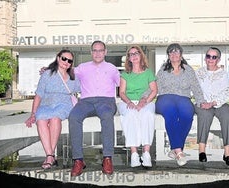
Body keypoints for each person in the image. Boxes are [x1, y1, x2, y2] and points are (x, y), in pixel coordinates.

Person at [69, 40, 120, 176]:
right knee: (74, 117)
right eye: (95, 50)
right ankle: (78, 160)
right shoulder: (82, 67)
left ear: (105, 52)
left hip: (106, 101)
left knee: (107, 117)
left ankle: (107, 158)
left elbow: (124, 84)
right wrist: (50, 70)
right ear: (91, 52)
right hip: (86, 101)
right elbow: (67, 72)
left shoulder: (112, 68)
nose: (97, 53)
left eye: (100, 50)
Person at [25, 49, 80, 170]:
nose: (66, 62)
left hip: (64, 104)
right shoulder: (47, 74)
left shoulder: (74, 77)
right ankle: (50, 155)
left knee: (55, 119)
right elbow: (39, 95)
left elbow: (85, 87)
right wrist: (33, 113)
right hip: (46, 104)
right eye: (64, 58)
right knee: (41, 119)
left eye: (69, 60)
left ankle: (49, 156)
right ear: (58, 58)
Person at [155, 43, 206, 166]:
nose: (174, 54)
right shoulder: (163, 69)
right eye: (171, 52)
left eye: (176, 51)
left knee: (187, 114)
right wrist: (144, 99)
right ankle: (179, 151)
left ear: (181, 54)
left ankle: (175, 150)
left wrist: (201, 100)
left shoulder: (188, 70)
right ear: (168, 55)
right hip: (165, 98)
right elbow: (154, 86)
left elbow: (196, 87)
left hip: (183, 98)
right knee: (171, 112)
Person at [117, 45, 157, 168]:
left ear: (141, 55)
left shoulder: (148, 72)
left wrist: (144, 102)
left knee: (148, 115)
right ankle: (134, 154)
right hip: (128, 101)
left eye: (136, 53)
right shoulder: (125, 74)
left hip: (146, 101)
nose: (133, 56)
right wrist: (129, 102)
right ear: (128, 58)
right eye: (131, 54)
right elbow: (121, 93)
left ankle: (146, 153)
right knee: (130, 115)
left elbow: (154, 90)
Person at [195, 47, 229, 166]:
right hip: (202, 102)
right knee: (205, 114)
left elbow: (226, 92)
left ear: (218, 59)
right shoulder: (199, 72)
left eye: (214, 57)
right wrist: (202, 102)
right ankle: (202, 150)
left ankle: (227, 152)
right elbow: (195, 90)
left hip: (218, 103)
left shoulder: (223, 73)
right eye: (208, 56)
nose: (210, 59)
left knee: (227, 114)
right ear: (205, 58)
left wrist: (213, 103)